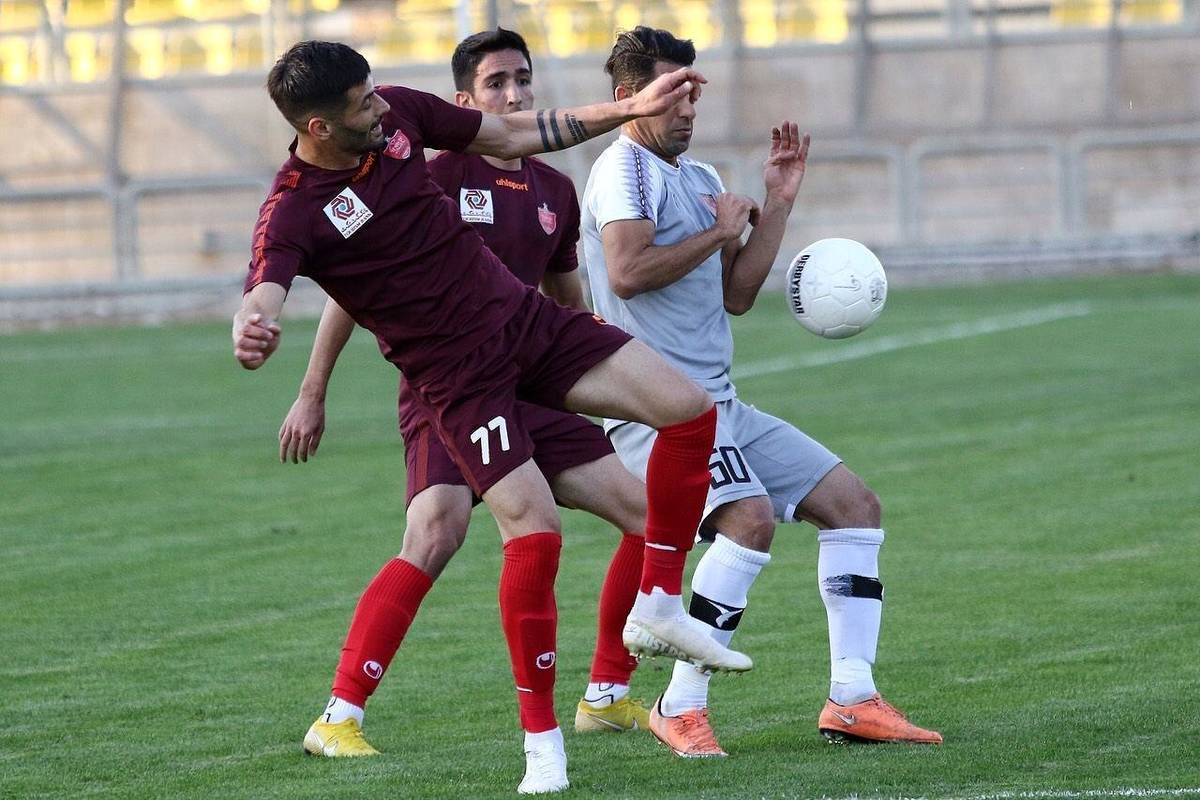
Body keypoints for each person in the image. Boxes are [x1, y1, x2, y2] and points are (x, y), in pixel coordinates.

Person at [232, 39, 750, 794]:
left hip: (527, 329)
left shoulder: (412, 122)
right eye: (362, 104)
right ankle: (540, 747)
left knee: (687, 409)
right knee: (517, 530)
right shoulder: (293, 209)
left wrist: (631, 109)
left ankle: (658, 608)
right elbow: (265, 286)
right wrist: (256, 326)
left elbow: (511, 134)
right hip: (459, 382)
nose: (379, 107)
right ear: (318, 127)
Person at [275, 29, 654, 764]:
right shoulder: (428, 172)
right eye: (495, 84)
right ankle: (339, 716)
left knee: (645, 514)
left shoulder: (554, 192)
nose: (514, 95)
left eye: (522, 79)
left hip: (531, 377)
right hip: (450, 388)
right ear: (464, 101)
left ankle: (607, 695)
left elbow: (565, 297)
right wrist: (312, 389)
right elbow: (351, 290)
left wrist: (596, 364)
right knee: (436, 531)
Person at [580, 26, 943, 758]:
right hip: (656, 411)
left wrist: (776, 203)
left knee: (854, 507)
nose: (688, 109)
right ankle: (679, 706)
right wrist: (719, 234)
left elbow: (736, 296)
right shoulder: (623, 170)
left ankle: (852, 698)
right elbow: (626, 272)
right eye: (673, 93)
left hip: (719, 404)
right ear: (627, 97)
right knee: (747, 520)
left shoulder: (700, 175)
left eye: (694, 93)